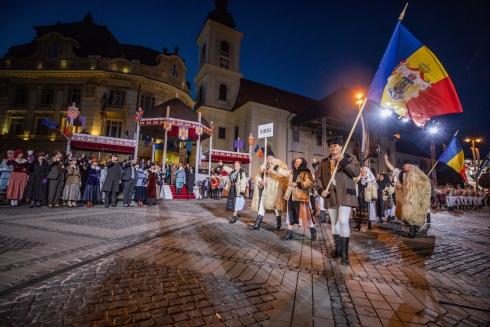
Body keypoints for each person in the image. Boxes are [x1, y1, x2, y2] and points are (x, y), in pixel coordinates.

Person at [315, 136, 360, 265]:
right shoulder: (323, 162)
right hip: (330, 195)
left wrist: (343, 161)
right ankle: (338, 249)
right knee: (334, 222)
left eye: (336, 146)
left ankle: (345, 256)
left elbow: (355, 172)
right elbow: (317, 179)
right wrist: (320, 190)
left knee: (343, 221)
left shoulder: (350, 158)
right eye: (331, 146)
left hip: (346, 194)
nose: (333, 148)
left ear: (341, 147)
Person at [384, 153, 431, 237]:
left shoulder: (416, 174)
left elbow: (425, 182)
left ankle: (412, 231)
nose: (403, 167)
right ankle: (413, 227)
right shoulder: (401, 173)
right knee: (407, 215)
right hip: (405, 198)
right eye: (403, 165)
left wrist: (421, 188)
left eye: (405, 165)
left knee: (413, 214)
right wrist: (386, 160)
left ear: (410, 166)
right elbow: (392, 169)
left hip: (414, 197)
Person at [250, 155, 289, 231]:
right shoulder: (264, 168)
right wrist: (261, 181)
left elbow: (283, 175)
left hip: (275, 190)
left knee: (276, 208)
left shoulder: (277, 167)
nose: (269, 159)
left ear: (274, 159)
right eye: (268, 158)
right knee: (262, 205)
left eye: (271, 158)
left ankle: (279, 223)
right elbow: (258, 177)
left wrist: (273, 170)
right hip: (266, 190)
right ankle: (257, 224)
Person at [282, 158, 316, 240]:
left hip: (301, 198)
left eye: (298, 162)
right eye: (295, 161)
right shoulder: (292, 172)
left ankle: (313, 230)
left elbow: (309, 183)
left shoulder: (306, 172)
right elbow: (283, 172)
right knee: (290, 216)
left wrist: (297, 184)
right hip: (290, 196)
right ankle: (289, 234)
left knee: (305, 216)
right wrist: (273, 166)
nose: (296, 163)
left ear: (302, 163)